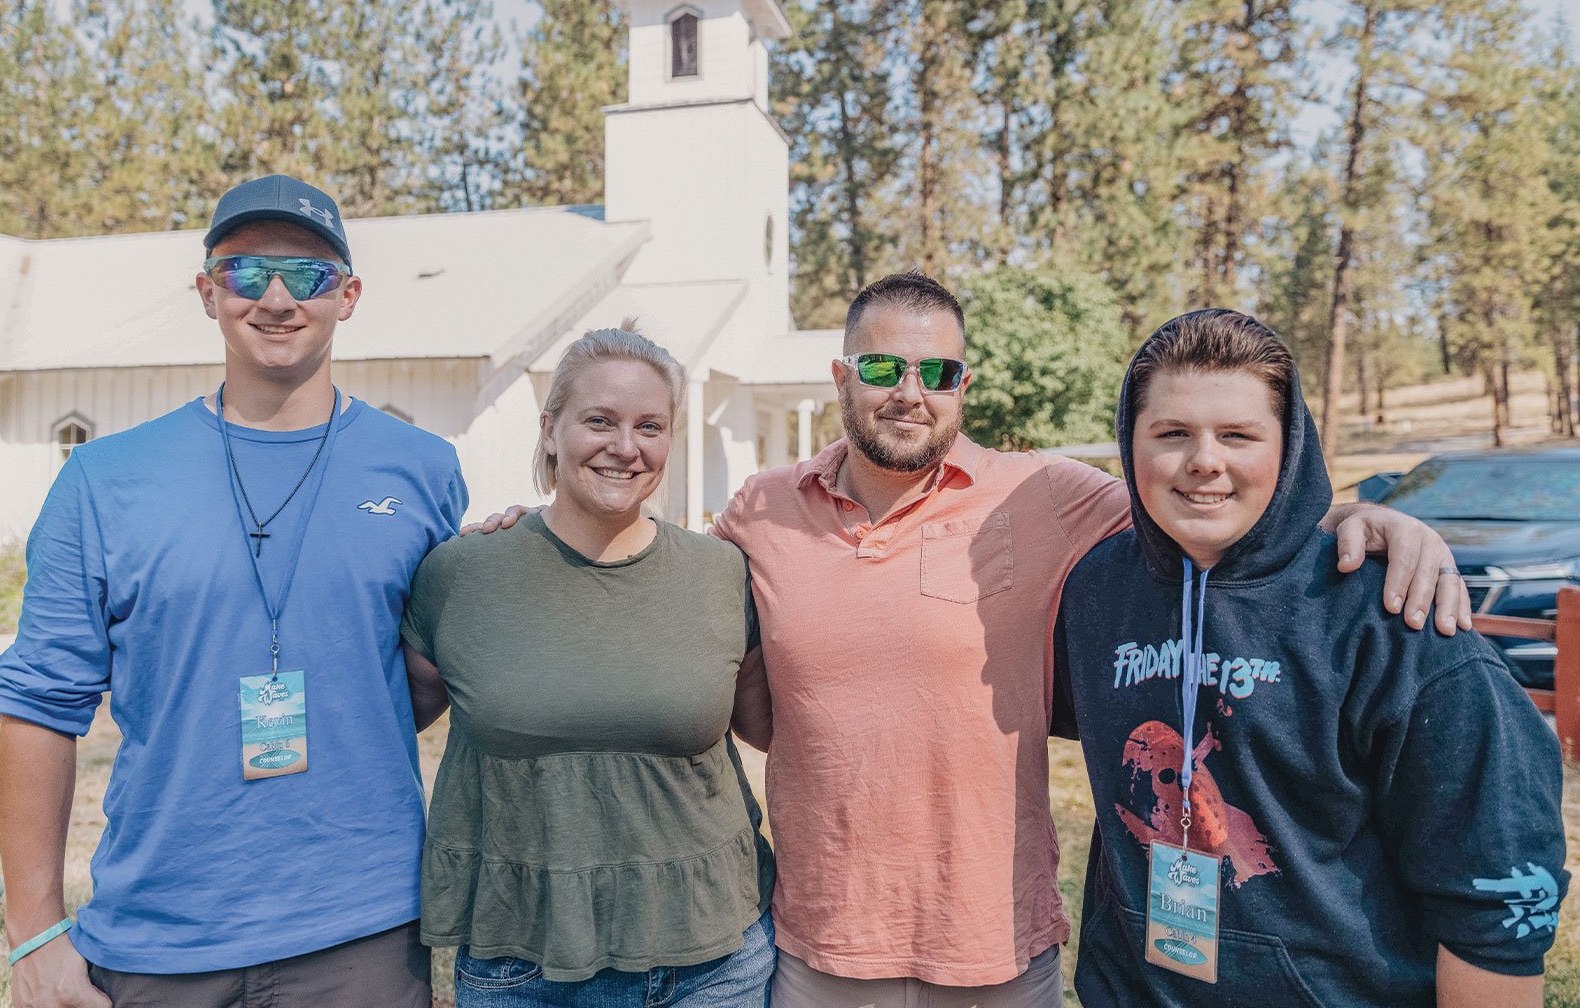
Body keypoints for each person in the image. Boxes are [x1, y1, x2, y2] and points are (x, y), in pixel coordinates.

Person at [480, 272, 1469, 1008]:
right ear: (840, 377)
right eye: (880, 367)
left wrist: (1355, 520)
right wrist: (533, 537)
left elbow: (1209, 495)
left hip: (996, 949)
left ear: (962, 385)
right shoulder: (761, 509)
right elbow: (655, 579)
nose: (908, 391)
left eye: (935, 371)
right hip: (819, 948)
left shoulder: (1047, 495)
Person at [0, 175, 466, 1008]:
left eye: (309, 276)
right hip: (159, 936)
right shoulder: (105, 479)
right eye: (246, 273)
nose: (277, 298)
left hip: (364, 933)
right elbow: (39, 704)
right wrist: (35, 935)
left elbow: (429, 672)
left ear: (348, 296)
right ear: (207, 290)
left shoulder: (422, 472)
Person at [1053, 309, 1566, 1006]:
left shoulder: (1388, 613)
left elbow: (1490, 906)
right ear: (1129, 444)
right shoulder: (1095, 590)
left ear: (1288, 448)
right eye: (1171, 433)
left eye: (1237, 435)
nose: (1204, 459)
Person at [401, 322, 776, 1007]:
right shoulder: (461, 573)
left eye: (650, 426)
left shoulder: (721, 574)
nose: (625, 448)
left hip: (710, 964)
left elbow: (774, 729)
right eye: (598, 421)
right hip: (523, 964)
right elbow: (380, 726)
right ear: (550, 430)